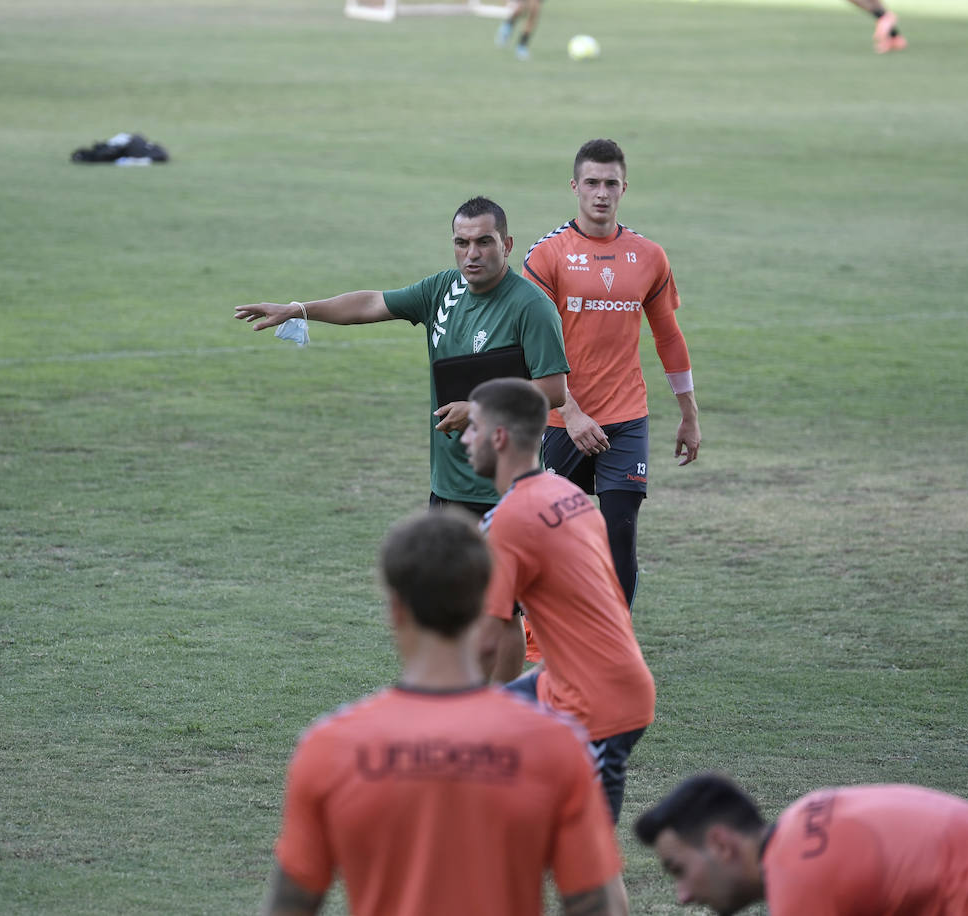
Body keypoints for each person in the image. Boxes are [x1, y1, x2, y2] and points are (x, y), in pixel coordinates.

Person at [261, 510, 628, 916]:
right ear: (483, 606)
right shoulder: (555, 746)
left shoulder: (329, 747)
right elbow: (597, 906)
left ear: (396, 609)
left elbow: (289, 906)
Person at [235, 196, 568, 518]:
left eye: (484, 242)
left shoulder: (532, 307)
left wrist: (480, 410)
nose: (472, 254)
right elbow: (371, 304)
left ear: (507, 245)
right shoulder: (444, 289)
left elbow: (553, 390)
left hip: (504, 492)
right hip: (446, 487)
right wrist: (299, 310)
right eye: (461, 243)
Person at [463, 377, 656, 824]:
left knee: (589, 874)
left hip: (600, 705)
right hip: (578, 680)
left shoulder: (506, 522)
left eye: (473, 427)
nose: (465, 438)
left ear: (499, 437)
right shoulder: (569, 497)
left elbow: (486, 642)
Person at [523, 138, 700, 609]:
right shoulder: (547, 257)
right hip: (564, 421)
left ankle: (612, 654)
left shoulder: (649, 257)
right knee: (560, 538)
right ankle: (550, 642)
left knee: (621, 533)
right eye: (592, 183)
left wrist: (689, 414)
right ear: (575, 187)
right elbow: (530, 350)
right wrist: (573, 414)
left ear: (625, 188)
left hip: (626, 418)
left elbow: (669, 339)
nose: (601, 193)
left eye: (611, 184)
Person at [633, 772, 968, 916]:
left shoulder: (801, 877)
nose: (684, 896)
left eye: (679, 870)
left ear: (720, 844)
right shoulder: (809, 813)